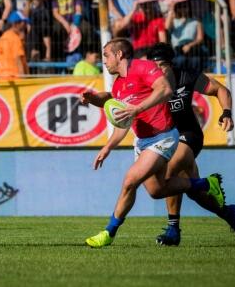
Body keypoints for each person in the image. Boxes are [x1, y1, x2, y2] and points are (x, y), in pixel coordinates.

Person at [80, 38, 225, 248]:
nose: (104, 61)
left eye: (106, 55)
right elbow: (124, 122)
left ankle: (108, 232)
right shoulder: (119, 84)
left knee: (130, 180)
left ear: (119, 54)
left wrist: (137, 109)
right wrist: (107, 146)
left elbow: (165, 90)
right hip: (143, 141)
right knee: (157, 190)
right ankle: (205, 184)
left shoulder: (144, 66)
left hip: (164, 137)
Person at [147, 42, 235, 245]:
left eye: (161, 66)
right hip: (166, 138)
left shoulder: (186, 76)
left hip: (189, 135)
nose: (157, 71)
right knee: (194, 192)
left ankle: (173, 230)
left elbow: (220, 90)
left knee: (168, 173)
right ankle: (229, 213)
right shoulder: (147, 82)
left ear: (170, 64)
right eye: (153, 67)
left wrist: (227, 112)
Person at [0, 11, 29, 81]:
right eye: (23, 23)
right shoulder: (15, 39)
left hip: (2, 78)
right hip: (15, 79)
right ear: (15, 24)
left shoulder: (2, 38)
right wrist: (25, 81)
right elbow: (18, 61)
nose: (25, 25)